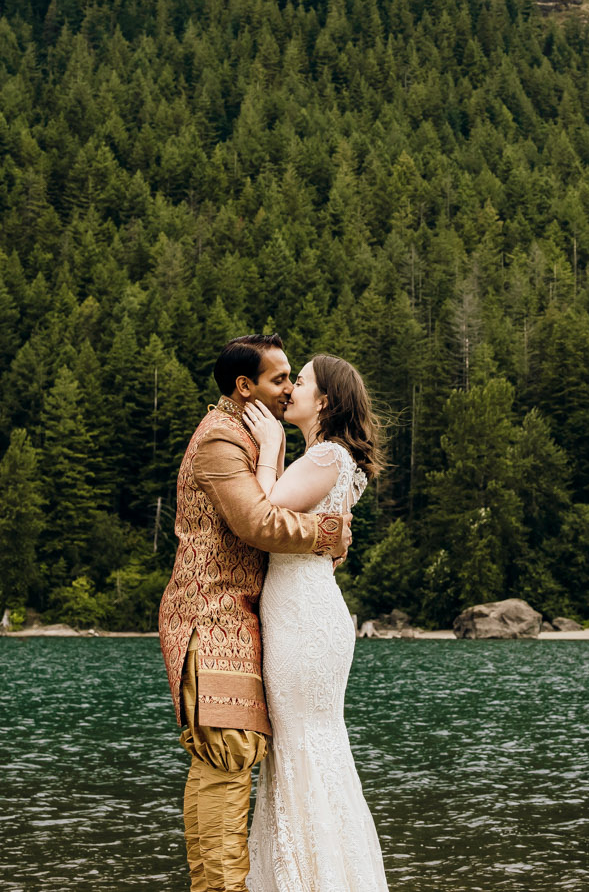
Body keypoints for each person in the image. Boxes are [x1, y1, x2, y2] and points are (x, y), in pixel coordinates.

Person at [160, 335, 352, 892]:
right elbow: (257, 524)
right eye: (278, 379)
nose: (289, 387)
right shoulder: (221, 438)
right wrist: (330, 532)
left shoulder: (250, 434)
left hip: (242, 614)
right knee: (227, 749)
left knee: (228, 754)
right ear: (244, 387)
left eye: (294, 378)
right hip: (212, 613)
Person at [240, 353, 389, 892]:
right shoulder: (329, 458)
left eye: (298, 382)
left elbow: (266, 512)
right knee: (304, 744)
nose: (289, 390)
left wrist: (270, 448)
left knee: (302, 742)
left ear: (323, 400)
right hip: (304, 608)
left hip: (303, 617)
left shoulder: (327, 455)